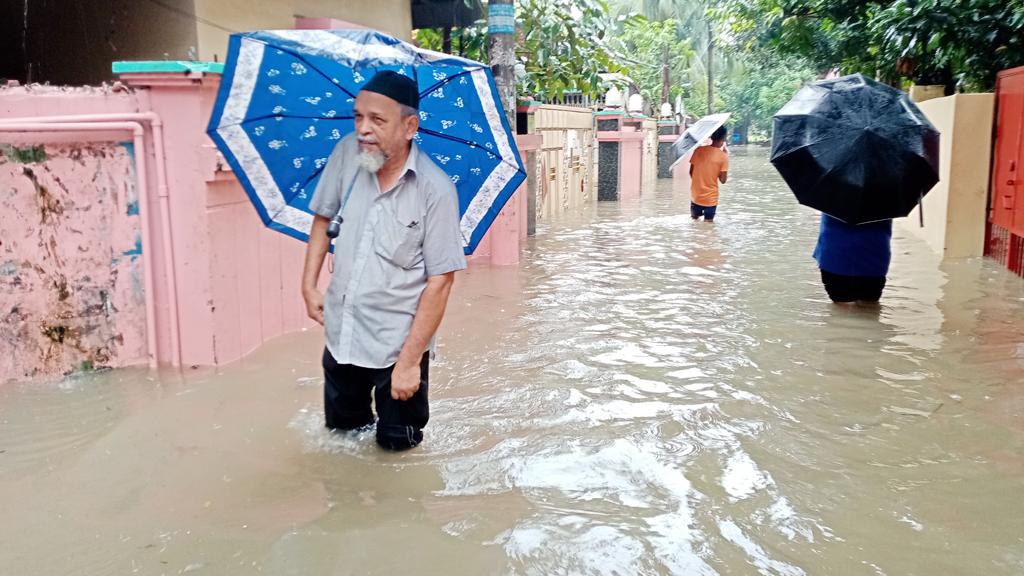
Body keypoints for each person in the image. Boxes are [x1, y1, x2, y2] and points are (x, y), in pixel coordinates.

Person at [301, 71, 467, 451]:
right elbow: (322, 217)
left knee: (398, 452)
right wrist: (308, 285)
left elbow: (441, 282)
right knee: (343, 443)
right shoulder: (347, 154)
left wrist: (409, 363)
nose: (363, 129)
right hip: (342, 337)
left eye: (377, 120)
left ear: (410, 126)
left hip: (397, 347)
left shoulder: (435, 190)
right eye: (358, 117)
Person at [813, 214, 892, 304]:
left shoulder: (830, 200)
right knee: (869, 307)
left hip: (836, 257)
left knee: (841, 309)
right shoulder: (887, 200)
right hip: (874, 258)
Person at [689, 125, 729, 221]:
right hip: (710, 199)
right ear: (723, 138)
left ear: (711, 137)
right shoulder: (723, 157)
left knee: (694, 222)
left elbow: (691, 172)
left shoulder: (698, 150)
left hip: (696, 196)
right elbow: (723, 180)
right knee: (708, 228)